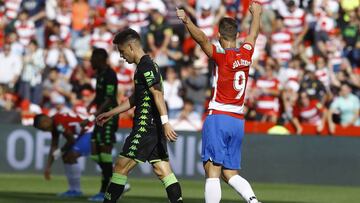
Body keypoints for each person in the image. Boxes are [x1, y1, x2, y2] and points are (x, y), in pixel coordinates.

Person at [177, 1, 262, 203]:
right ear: (237, 36)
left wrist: (187, 21)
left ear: (219, 36)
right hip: (237, 121)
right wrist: (256, 14)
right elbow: (254, 35)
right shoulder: (246, 53)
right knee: (229, 173)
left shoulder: (222, 56)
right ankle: (253, 200)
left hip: (219, 117)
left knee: (212, 172)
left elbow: (202, 41)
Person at [96, 28, 183, 203]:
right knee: (162, 170)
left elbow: (157, 93)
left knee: (120, 167)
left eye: (122, 51)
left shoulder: (145, 66)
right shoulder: (145, 65)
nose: (121, 56)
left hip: (145, 126)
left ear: (130, 47)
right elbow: (136, 98)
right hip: (153, 127)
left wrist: (166, 122)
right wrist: (111, 113)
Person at [86, 48, 120, 201]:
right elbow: (100, 95)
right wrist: (92, 103)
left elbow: (109, 98)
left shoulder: (110, 74)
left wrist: (97, 111)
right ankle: (116, 182)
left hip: (109, 116)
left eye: (93, 58)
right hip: (101, 115)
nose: (91, 61)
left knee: (104, 151)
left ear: (100, 59)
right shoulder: (99, 73)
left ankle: (105, 191)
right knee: (94, 151)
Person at [33, 112, 93, 197]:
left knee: (70, 156)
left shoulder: (58, 123)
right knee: (66, 156)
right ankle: (73, 189)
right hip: (85, 132)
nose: (44, 131)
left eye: (42, 128)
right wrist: (48, 167)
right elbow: (54, 146)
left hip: (91, 130)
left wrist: (61, 151)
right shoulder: (55, 123)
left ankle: (76, 190)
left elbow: (71, 140)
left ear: (45, 121)